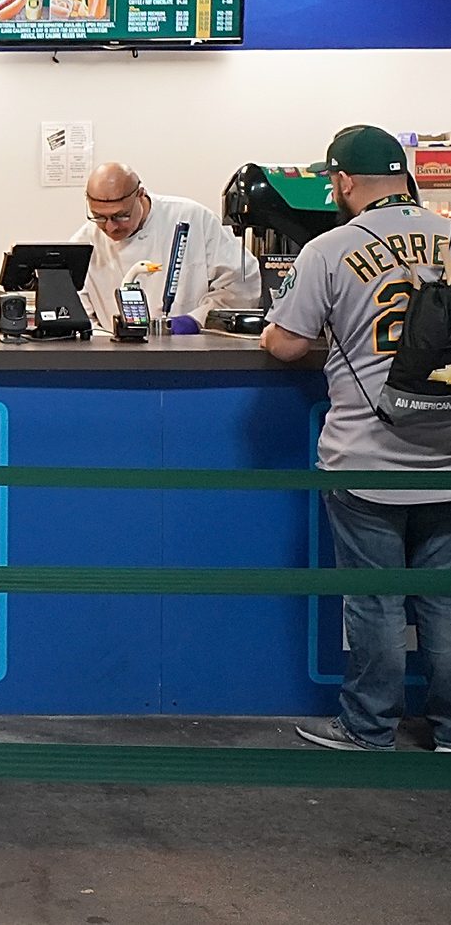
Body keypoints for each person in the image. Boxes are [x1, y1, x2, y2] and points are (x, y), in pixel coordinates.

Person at [260, 125, 451, 753]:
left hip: (368, 453)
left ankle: (369, 728)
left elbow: (286, 343)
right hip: (447, 453)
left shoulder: (331, 247)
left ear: (342, 181)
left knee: (375, 602)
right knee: (443, 600)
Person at [71, 161, 260, 332]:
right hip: (117, 356)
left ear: (140, 195)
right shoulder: (85, 243)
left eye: (121, 215)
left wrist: (196, 320)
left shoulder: (192, 218)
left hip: (190, 349)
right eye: (99, 217)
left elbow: (242, 282)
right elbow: (76, 310)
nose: (110, 227)